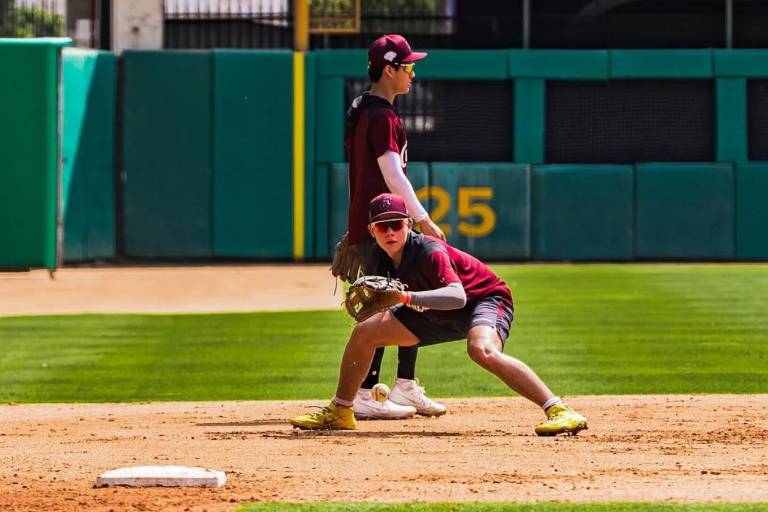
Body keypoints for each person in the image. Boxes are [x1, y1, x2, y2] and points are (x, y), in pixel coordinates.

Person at [292, 193, 589, 436]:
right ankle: (341, 410)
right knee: (366, 332)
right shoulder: (378, 259)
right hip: (434, 312)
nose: (391, 232)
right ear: (372, 231)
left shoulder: (430, 252)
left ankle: (559, 410)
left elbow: (457, 297)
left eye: (397, 224)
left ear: (409, 224)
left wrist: (407, 298)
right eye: (383, 227)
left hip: (482, 301)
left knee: (481, 350)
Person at [338, 34, 446, 421]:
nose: (413, 73)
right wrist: (422, 218)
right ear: (390, 69)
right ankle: (366, 391)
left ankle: (404, 384)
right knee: (385, 303)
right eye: (409, 66)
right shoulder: (380, 115)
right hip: (385, 226)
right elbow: (391, 173)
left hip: (379, 223)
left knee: (409, 293)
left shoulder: (366, 110)